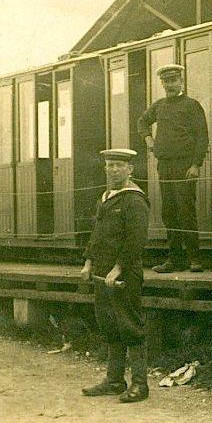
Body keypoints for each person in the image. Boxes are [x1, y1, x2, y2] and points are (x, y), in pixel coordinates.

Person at [80, 148, 150, 403]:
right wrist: (89, 262)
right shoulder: (107, 197)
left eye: (119, 165)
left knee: (130, 324)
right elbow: (96, 234)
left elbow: (136, 241)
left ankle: (140, 384)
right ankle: (114, 380)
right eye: (109, 165)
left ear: (130, 169)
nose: (113, 170)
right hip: (102, 272)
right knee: (110, 325)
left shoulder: (134, 200)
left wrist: (118, 268)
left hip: (124, 274)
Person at [136, 64, 209, 273]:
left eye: (173, 80)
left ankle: (195, 259)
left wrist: (196, 164)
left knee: (186, 211)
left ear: (181, 82)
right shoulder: (159, 106)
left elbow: (202, 136)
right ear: (162, 84)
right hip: (165, 166)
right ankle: (174, 259)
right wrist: (148, 139)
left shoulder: (191, 105)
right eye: (166, 81)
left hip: (185, 165)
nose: (169, 85)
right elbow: (142, 122)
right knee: (169, 212)